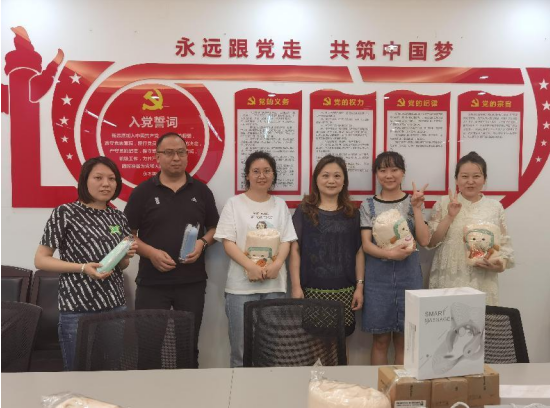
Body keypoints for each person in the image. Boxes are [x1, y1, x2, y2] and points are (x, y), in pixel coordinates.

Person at [124, 132, 219, 368]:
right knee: (148, 348)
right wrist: (150, 253)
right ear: (157, 157)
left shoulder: (201, 191)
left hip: (191, 283)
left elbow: (215, 228)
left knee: (187, 347)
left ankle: (188, 391)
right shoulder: (143, 192)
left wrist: (202, 243)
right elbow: (127, 235)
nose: (176, 158)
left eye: (181, 152)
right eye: (169, 153)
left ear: (187, 155)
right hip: (152, 283)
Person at [34, 156, 137, 371]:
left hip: (114, 306)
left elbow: (121, 266)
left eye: (111, 178)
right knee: (78, 373)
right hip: (77, 309)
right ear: (85, 181)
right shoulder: (65, 213)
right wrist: (82, 268)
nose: (106, 184)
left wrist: (125, 256)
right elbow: (41, 259)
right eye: (98, 178)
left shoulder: (118, 217)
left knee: (112, 371)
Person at [214, 151, 297, 367]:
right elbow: (228, 242)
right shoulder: (234, 204)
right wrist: (250, 266)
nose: (262, 176)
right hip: (240, 287)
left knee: (270, 348)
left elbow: (287, 240)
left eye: (267, 171)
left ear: (273, 175)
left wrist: (277, 264)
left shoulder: (280, 205)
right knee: (241, 350)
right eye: (256, 171)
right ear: (247, 175)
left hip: (274, 284)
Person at [360, 151, 430, 365]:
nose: (388, 175)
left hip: (409, 278)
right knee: (380, 340)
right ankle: (378, 385)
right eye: (383, 170)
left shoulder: (413, 201)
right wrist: (391, 254)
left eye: (394, 170)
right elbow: (366, 245)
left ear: (403, 173)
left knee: (404, 340)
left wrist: (417, 209)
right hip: (377, 281)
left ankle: (401, 385)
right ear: (376, 174)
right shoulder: (368, 205)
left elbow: (424, 240)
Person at [289, 155, 364, 343]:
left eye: (337, 176)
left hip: (345, 291)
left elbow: (359, 252)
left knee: (341, 344)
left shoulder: (352, 213)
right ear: (316, 179)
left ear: (344, 181)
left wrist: (359, 287)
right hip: (312, 290)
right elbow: (295, 250)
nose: (331, 181)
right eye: (325, 175)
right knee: (316, 344)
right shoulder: (304, 211)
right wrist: (296, 286)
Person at [428, 151, 514, 305]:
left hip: (482, 280)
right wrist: (450, 216)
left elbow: (505, 248)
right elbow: (431, 242)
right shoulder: (443, 202)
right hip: (449, 278)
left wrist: (497, 266)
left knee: (481, 319)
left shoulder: (495, 207)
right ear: (456, 179)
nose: (470, 181)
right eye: (464, 176)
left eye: (476, 176)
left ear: (484, 179)